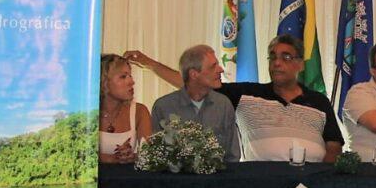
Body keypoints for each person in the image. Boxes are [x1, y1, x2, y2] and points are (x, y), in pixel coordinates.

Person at [128, 38, 343, 162]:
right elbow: (196, 82)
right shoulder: (248, 94)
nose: (277, 63)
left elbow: (333, 146)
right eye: (272, 57)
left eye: (286, 57)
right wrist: (150, 64)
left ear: (301, 64)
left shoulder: (319, 101)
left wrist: (321, 177)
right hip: (264, 185)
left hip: (312, 183)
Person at [146, 45, 240, 164]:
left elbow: (233, 156)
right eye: (213, 66)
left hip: (219, 175)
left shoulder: (223, 105)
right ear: (194, 74)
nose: (220, 69)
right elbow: (156, 156)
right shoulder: (163, 107)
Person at [98, 54, 153, 164]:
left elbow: (149, 155)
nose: (132, 82)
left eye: (130, 75)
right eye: (123, 77)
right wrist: (110, 158)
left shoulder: (140, 111)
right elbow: (76, 154)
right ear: (104, 82)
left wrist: (132, 157)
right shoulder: (85, 112)